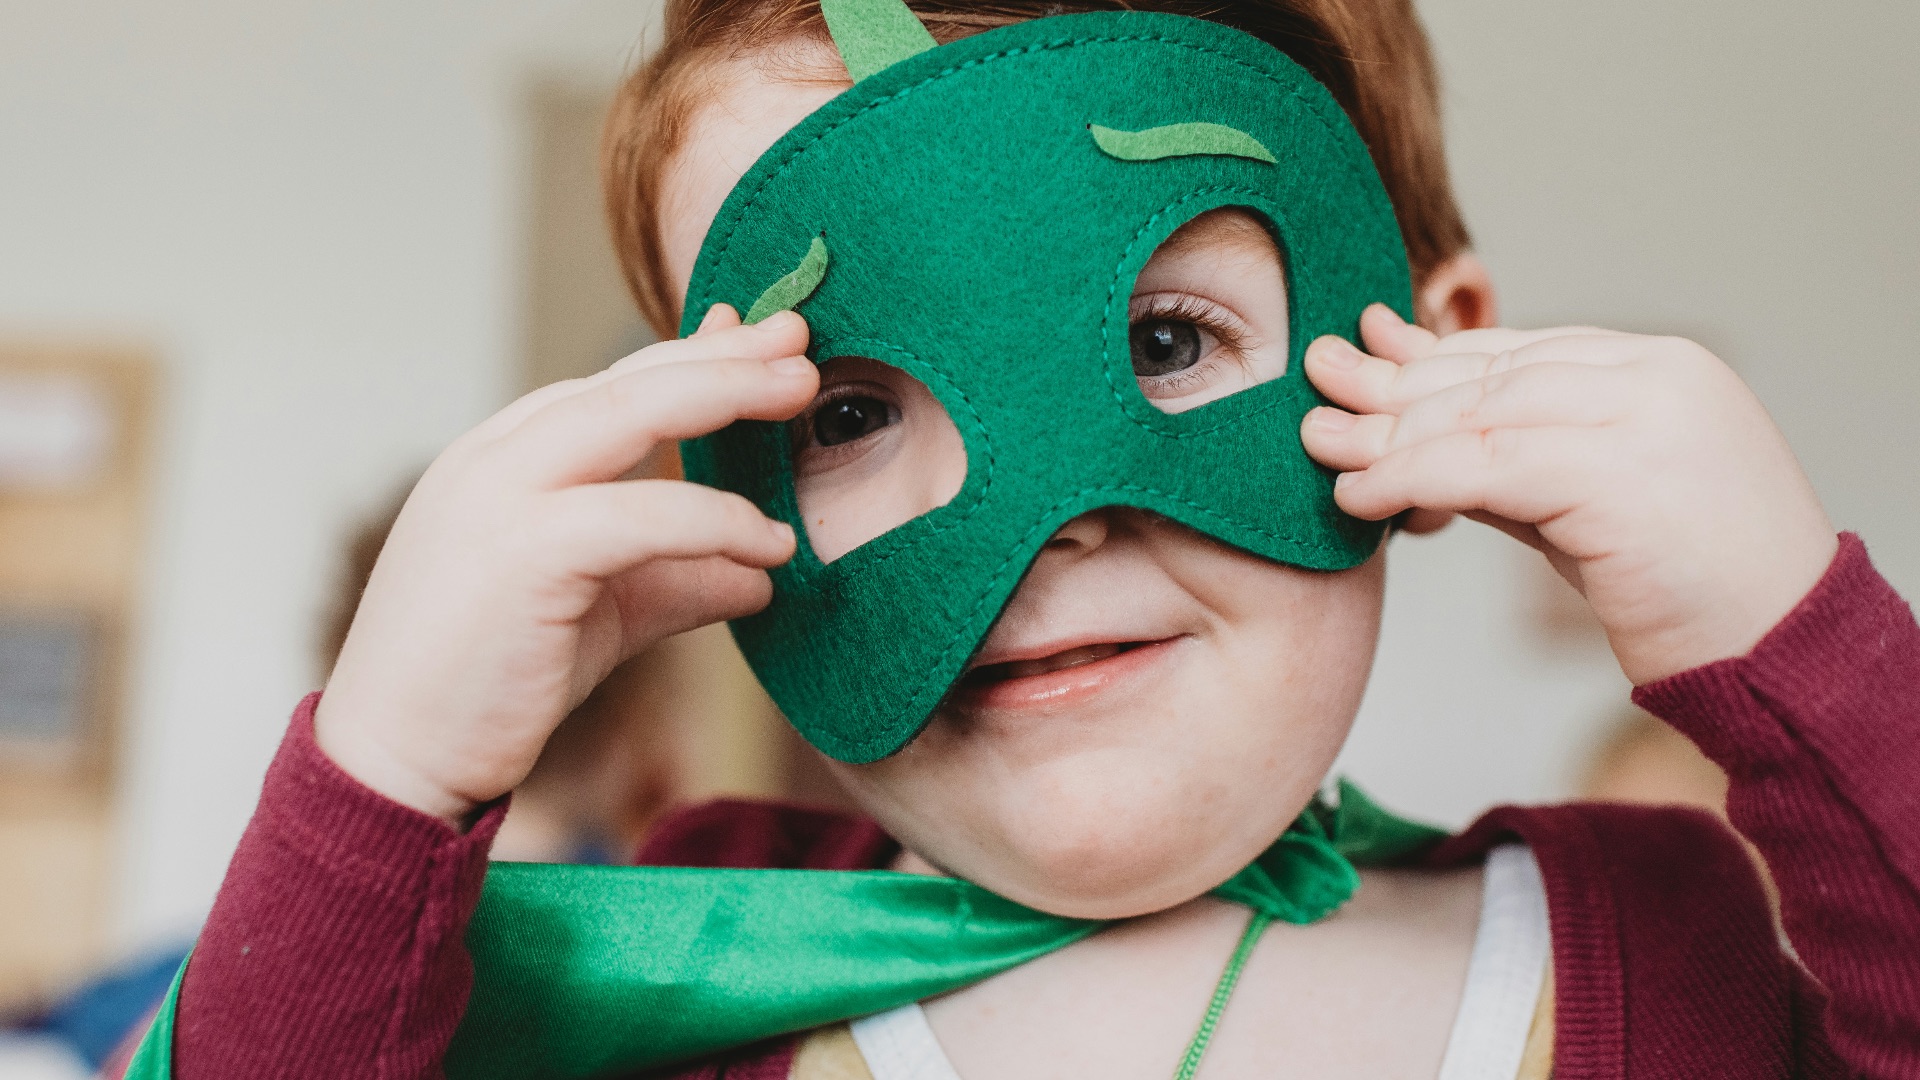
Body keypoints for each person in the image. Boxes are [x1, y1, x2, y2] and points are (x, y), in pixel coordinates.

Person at [120, 0, 1920, 1076]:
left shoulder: (1671, 948)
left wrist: (1798, 646)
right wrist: (386, 778)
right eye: (843, 415)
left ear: (1442, 367)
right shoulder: (682, 971)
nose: (1041, 529)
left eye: (1167, 342)